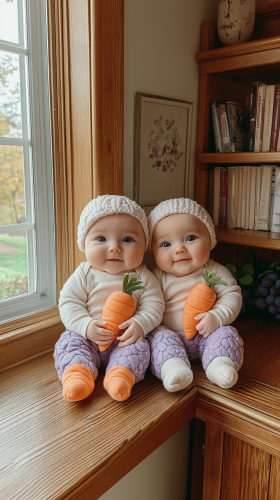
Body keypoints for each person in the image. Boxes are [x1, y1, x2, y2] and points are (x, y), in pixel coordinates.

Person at [54, 195, 164, 402]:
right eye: (102, 239)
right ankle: (77, 374)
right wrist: (85, 326)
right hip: (86, 337)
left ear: (144, 245)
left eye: (127, 240)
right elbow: (69, 302)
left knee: (140, 347)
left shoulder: (142, 274)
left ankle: (120, 375)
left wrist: (140, 324)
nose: (114, 247)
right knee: (68, 342)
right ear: (84, 243)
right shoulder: (84, 273)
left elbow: (155, 305)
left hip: (124, 339)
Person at [148, 198, 244, 392]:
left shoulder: (214, 271)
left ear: (210, 239)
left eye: (190, 238)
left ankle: (220, 365)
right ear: (152, 251)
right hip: (171, 335)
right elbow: (147, 303)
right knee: (159, 339)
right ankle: (173, 369)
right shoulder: (156, 277)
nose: (179, 248)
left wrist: (217, 317)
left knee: (226, 334)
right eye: (166, 244)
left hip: (207, 335)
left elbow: (232, 295)